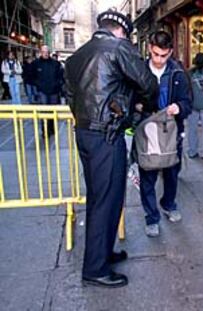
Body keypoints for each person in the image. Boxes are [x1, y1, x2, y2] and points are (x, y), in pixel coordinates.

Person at [65, 9, 158, 288]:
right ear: (121, 32)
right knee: (107, 201)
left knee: (99, 197)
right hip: (107, 135)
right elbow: (148, 84)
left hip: (85, 132)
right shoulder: (118, 48)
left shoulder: (76, 56)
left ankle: (103, 254)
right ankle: (95, 268)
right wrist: (137, 104)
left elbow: (70, 96)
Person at [139, 30, 192, 237]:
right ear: (150, 49)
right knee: (148, 175)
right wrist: (136, 108)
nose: (159, 60)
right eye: (155, 55)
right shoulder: (139, 71)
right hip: (147, 131)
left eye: (163, 55)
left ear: (170, 52)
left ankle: (168, 204)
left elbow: (188, 103)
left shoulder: (179, 73)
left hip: (171, 131)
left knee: (171, 173)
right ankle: (151, 217)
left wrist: (179, 107)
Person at [33, 45, 64, 135]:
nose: (45, 54)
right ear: (40, 52)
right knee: (44, 111)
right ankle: (45, 130)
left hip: (54, 91)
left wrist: (57, 84)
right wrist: (38, 84)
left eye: (47, 52)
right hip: (42, 91)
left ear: (49, 52)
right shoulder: (36, 63)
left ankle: (52, 129)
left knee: (53, 111)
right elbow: (30, 76)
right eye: (43, 52)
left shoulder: (55, 64)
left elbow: (61, 76)